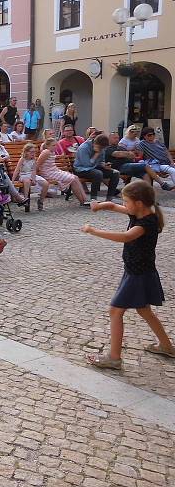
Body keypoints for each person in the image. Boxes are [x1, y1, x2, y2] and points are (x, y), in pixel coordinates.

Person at [80, 182, 173, 368]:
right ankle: (167, 346)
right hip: (138, 271)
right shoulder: (138, 212)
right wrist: (100, 206)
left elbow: (126, 237)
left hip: (138, 274)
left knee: (115, 311)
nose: (124, 204)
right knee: (144, 310)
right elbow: (113, 206)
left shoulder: (146, 222)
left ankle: (114, 358)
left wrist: (93, 231)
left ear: (138, 203)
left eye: (126, 201)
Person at [37, 138, 89, 206]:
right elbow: (37, 164)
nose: (55, 147)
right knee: (73, 179)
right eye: (53, 145)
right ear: (47, 146)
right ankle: (83, 201)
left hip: (54, 171)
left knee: (75, 178)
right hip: (48, 173)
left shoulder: (51, 152)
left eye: (56, 145)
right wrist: (36, 175)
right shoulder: (46, 152)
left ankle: (85, 200)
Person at [73, 134, 120, 202]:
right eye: (100, 148)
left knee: (115, 173)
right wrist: (96, 154)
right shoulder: (84, 148)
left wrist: (104, 165)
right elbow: (87, 165)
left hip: (94, 167)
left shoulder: (101, 147)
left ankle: (109, 198)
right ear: (95, 142)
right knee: (98, 173)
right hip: (81, 169)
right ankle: (93, 198)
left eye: (103, 148)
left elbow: (101, 161)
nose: (102, 150)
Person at [12, 143, 49, 210]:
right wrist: (12, 181)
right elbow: (17, 170)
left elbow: (34, 170)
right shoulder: (22, 159)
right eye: (31, 152)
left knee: (46, 184)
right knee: (27, 181)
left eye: (34, 152)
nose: (33, 153)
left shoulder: (34, 160)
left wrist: (34, 179)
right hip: (23, 175)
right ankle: (25, 199)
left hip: (31, 175)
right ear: (26, 152)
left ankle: (41, 201)